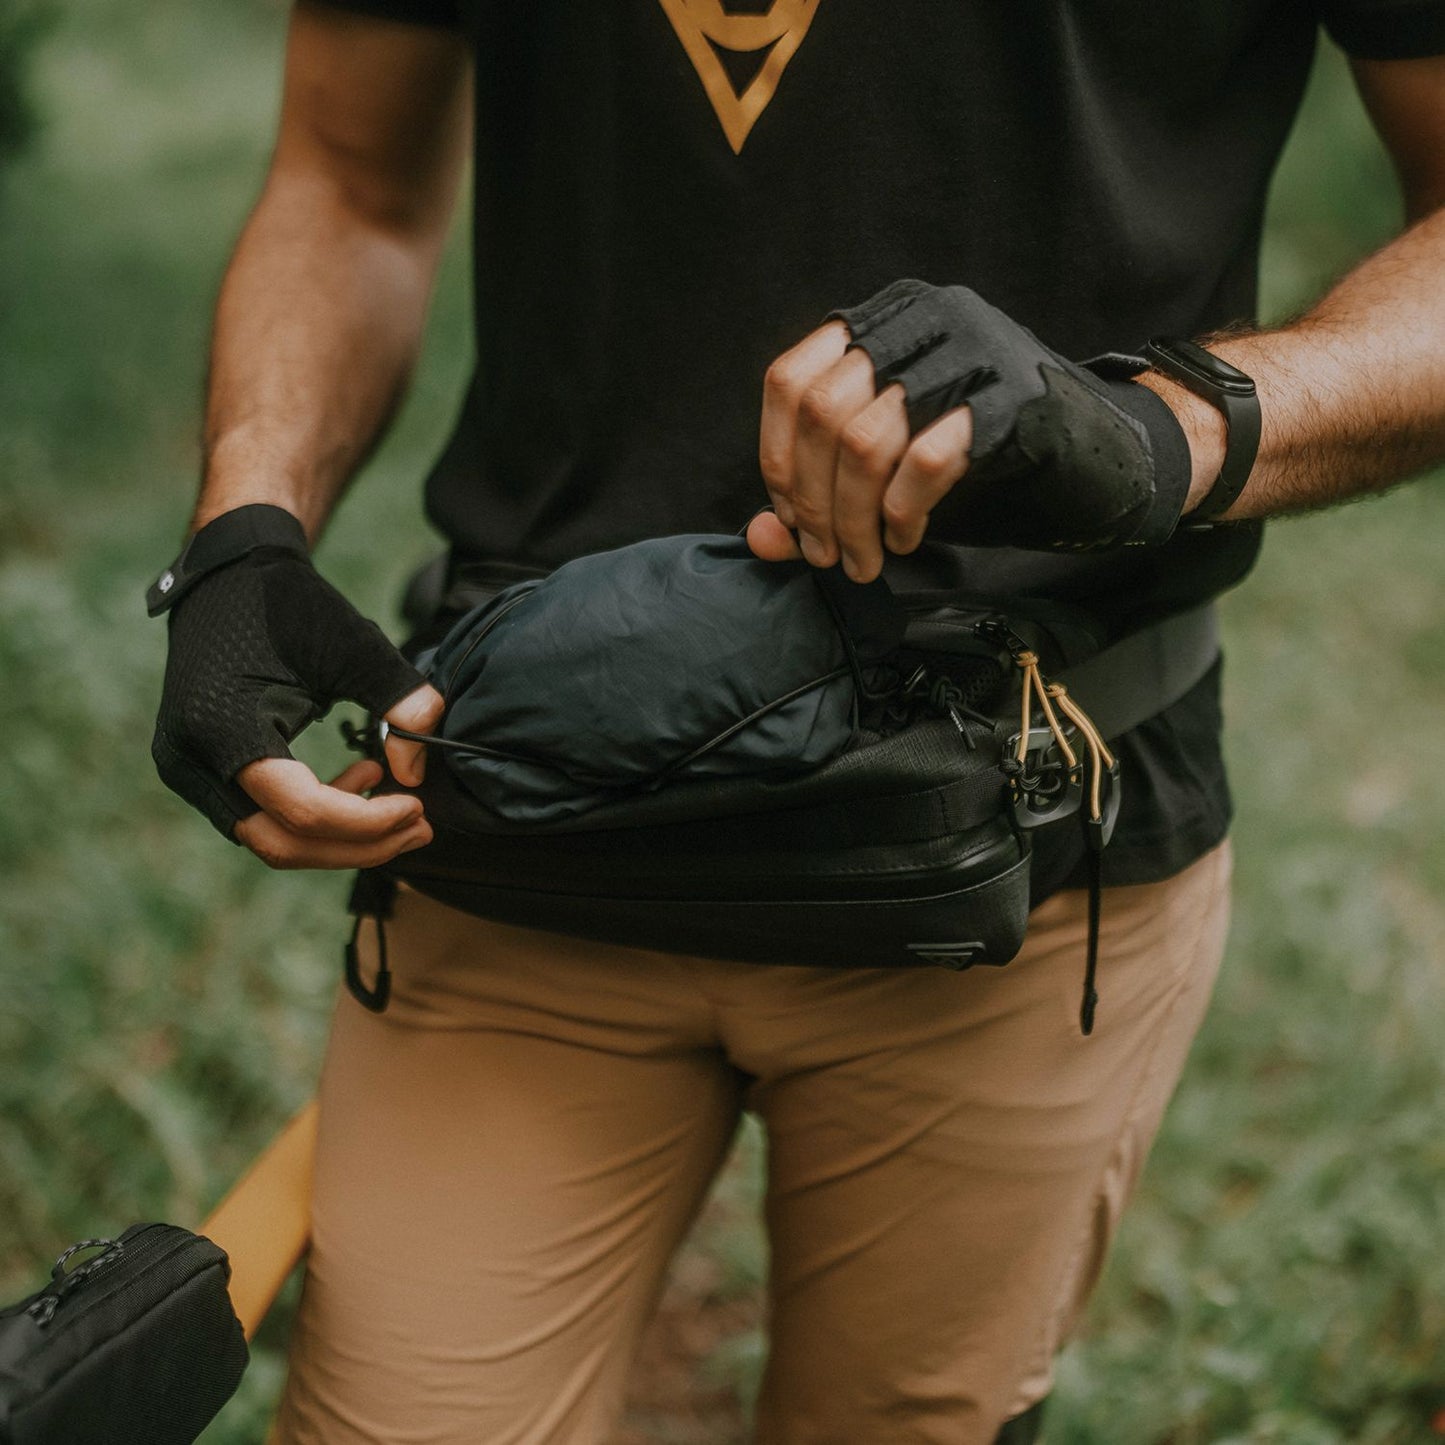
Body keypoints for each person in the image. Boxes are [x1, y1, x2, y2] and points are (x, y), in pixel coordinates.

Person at [146, 3, 1445, 1440]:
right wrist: (244, 532)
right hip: (534, 827)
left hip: (1021, 848)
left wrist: (1151, 429)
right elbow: (347, 178)